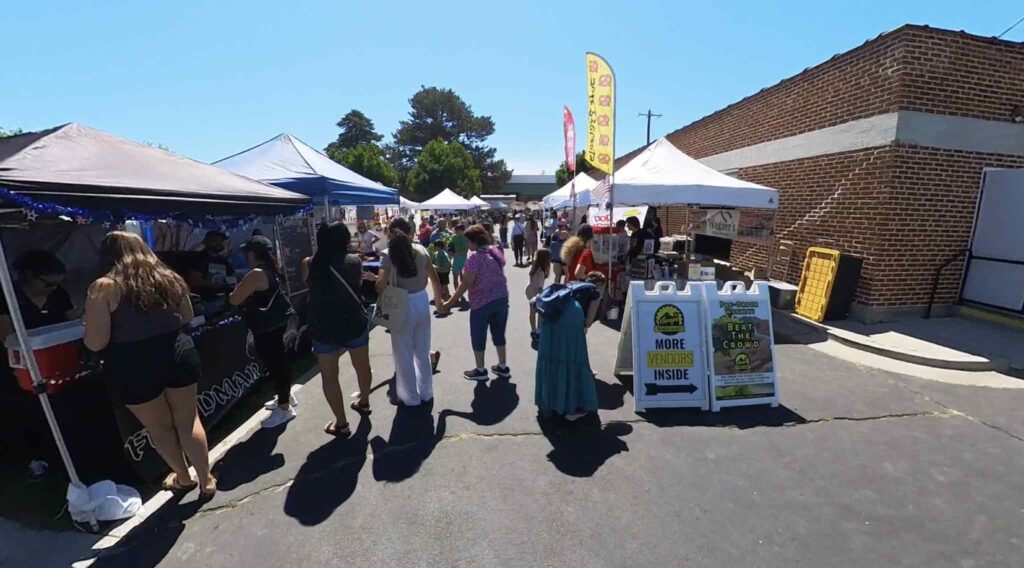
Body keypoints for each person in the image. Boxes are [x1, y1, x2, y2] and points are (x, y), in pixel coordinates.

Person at [83, 232, 215, 495]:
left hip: (132, 362)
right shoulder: (169, 277)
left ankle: (183, 477)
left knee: (160, 427)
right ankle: (206, 478)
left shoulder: (104, 287)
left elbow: (96, 343)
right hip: (177, 351)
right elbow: (187, 315)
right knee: (188, 421)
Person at [302, 222, 374, 437]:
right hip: (354, 321)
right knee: (363, 366)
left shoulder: (309, 263)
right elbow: (357, 286)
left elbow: (308, 285)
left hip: (324, 325)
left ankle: (341, 423)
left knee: (329, 376)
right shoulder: (355, 261)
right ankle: (364, 401)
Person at [369, 218, 444, 407]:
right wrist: (439, 301)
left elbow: (380, 286)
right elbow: (434, 279)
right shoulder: (422, 250)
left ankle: (410, 397)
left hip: (400, 302)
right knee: (422, 350)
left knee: (403, 353)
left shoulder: (387, 255)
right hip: (421, 300)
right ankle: (426, 392)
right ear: (410, 231)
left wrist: (373, 279)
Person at [229, 236, 299, 429]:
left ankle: (285, 409)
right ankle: (286, 397)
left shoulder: (256, 274)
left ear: (251, 254)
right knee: (279, 363)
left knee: (276, 365)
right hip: (277, 324)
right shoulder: (271, 270)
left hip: (266, 328)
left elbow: (234, 299)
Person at [438, 225, 510, 380]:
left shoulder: (474, 257)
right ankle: (503, 366)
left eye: (468, 242)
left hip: (481, 301)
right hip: (501, 298)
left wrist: (449, 303)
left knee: (478, 335)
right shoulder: (495, 251)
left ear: (473, 241)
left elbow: (466, 283)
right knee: (499, 334)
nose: (467, 245)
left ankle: (480, 369)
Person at [534, 273, 603, 421]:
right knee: (572, 359)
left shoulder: (569, 286)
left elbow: (534, 301)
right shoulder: (595, 292)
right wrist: (585, 324)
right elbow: (588, 322)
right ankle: (571, 407)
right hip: (572, 319)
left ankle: (548, 401)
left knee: (553, 358)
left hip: (552, 316)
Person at [187, 230, 235, 300]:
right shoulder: (197, 258)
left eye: (221, 241)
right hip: (202, 300)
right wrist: (212, 284)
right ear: (206, 241)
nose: (219, 243)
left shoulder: (225, 262)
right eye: (215, 240)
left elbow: (232, 279)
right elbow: (193, 280)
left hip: (222, 299)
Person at [526, 248, 551, 340]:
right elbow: (539, 286)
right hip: (537, 291)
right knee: (540, 312)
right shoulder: (542, 270)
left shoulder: (535, 266)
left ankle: (533, 330)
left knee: (532, 311)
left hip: (529, 289)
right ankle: (539, 331)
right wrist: (542, 296)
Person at [449, 223, 470, 291]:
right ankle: (456, 292)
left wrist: (456, 253)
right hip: (456, 260)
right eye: (456, 230)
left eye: (457, 230)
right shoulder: (453, 237)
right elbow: (450, 247)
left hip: (463, 259)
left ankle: (461, 292)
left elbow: (466, 250)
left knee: (463, 278)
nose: (456, 231)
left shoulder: (466, 238)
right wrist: (450, 252)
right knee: (455, 277)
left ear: (462, 230)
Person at [548, 220, 570, 284]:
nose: (566, 227)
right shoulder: (564, 233)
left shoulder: (554, 233)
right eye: (565, 225)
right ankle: (565, 289)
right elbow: (572, 242)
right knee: (568, 275)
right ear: (563, 226)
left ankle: (556, 290)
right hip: (563, 258)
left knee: (557, 277)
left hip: (555, 258)